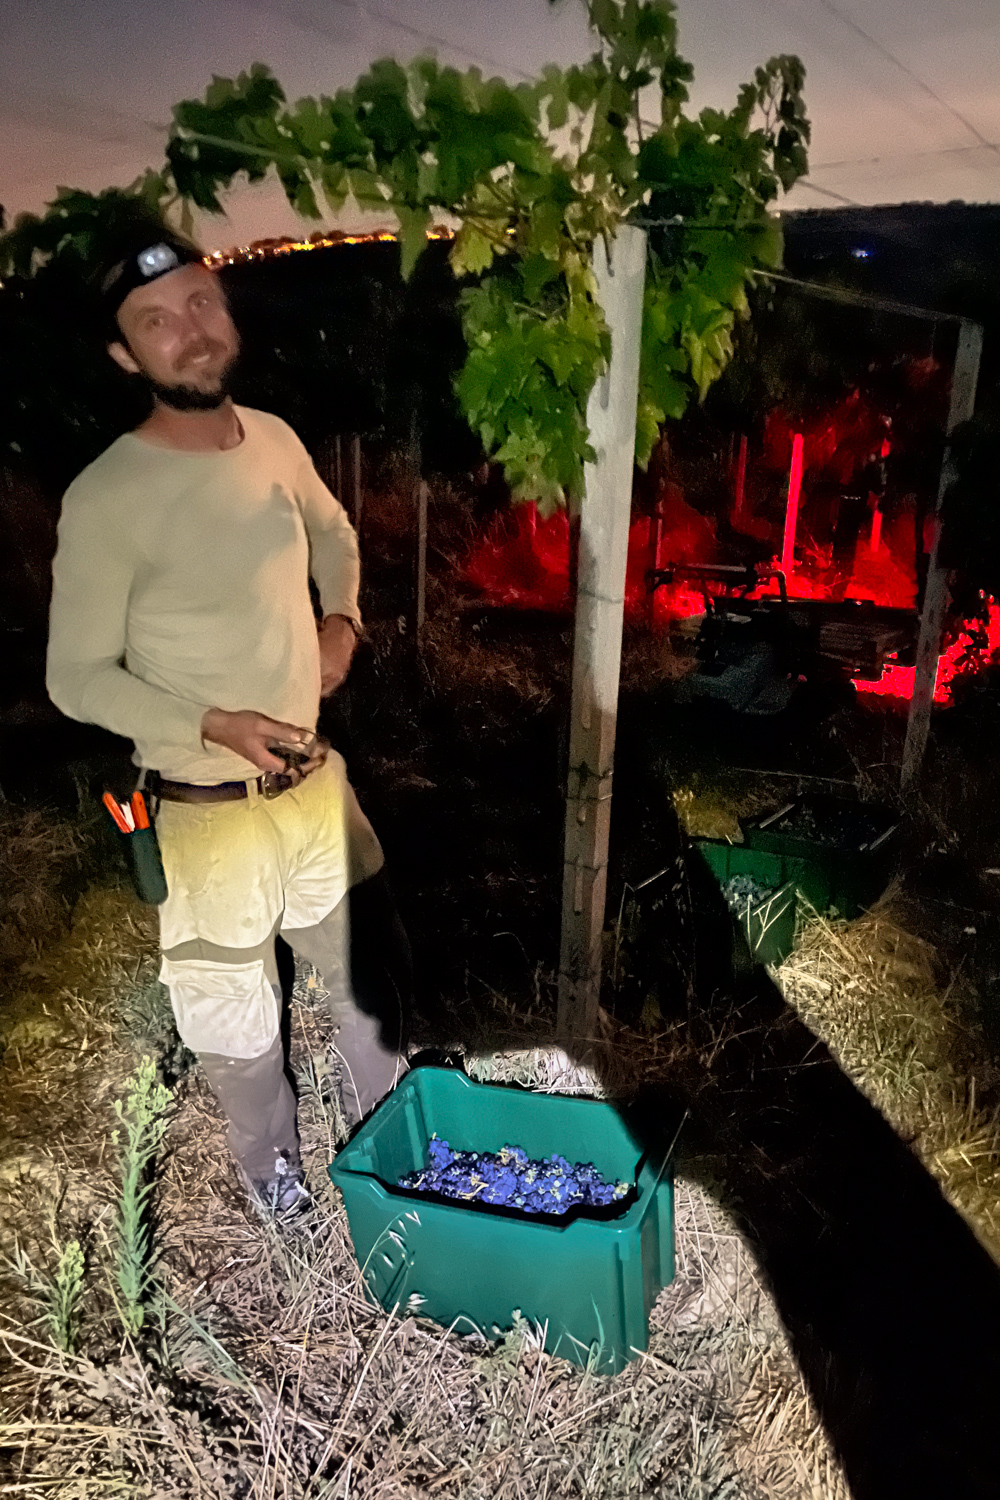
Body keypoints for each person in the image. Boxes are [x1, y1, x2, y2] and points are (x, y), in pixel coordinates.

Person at [46, 221, 411, 1212]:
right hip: (207, 810)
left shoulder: (279, 441)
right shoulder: (107, 498)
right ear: (127, 356)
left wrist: (343, 618)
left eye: (201, 301)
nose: (191, 330)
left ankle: (404, 1164)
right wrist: (214, 721)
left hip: (316, 787)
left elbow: (334, 534)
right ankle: (276, 1187)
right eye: (156, 323)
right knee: (236, 1027)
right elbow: (74, 679)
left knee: (369, 994)